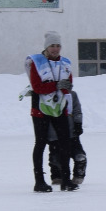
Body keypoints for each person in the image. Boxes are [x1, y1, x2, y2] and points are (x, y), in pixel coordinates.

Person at [25, 32, 74, 192]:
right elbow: (37, 87)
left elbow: (68, 84)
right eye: (52, 46)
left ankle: (66, 180)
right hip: (40, 109)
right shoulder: (36, 62)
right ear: (46, 47)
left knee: (65, 143)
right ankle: (39, 181)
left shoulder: (65, 63)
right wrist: (57, 85)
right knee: (40, 143)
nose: (55, 49)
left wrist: (62, 86)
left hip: (59, 107)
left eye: (58, 46)